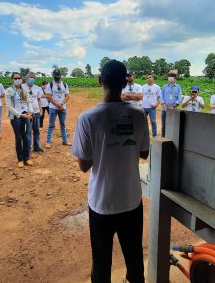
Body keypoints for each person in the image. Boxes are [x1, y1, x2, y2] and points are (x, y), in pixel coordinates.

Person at [71, 60, 149, 283]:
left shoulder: (88, 118)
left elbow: (84, 165)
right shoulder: (139, 114)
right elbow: (144, 154)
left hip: (102, 203)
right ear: (125, 83)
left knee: (102, 260)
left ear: (99, 81)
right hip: (131, 199)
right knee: (134, 257)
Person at [5, 72, 34, 167]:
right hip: (16, 117)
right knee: (18, 137)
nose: (17, 80)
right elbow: (9, 106)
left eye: (19, 78)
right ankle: (20, 159)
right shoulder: (9, 91)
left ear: (21, 79)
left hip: (26, 115)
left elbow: (28, 102)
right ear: (12, 79)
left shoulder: (24, 89)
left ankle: (27, 157)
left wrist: (30, 111)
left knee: (27, 137)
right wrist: (20, 115)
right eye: (15, 78)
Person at [45, 68, 70, 148]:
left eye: (58, 75)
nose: (57, 76)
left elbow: (67, 96)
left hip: (63, 108)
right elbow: (48, 97)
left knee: (63, 124)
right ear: (53, 75)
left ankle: (65, 141)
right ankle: (48, 142)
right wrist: (57, 105)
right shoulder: (50, 84)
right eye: (55, 75)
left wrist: (61, 104)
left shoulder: (65, 84)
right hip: (53, 108)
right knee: (51, 125)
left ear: (60, 75)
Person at [22, 72, 44, 153]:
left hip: (36, 112)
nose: (32, 79)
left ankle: (36, 146)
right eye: (31, 77)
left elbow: (38, 100)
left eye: (34, 78)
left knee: (36, 130)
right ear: (27, 78)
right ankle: (28, 147)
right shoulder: (22, 87)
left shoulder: (37, 88)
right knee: (28, 131)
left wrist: (40, 109)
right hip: (27, 113)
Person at [161, 69, 183, 137]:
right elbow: (161, 97)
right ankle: (163, 138)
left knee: (173, 125)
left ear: (175, 78)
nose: (170, 77)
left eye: (172, 76)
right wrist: (164, 107)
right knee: (164, 126)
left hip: (174, 109)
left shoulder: (178, 87)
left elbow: (179, 98)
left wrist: (173, 106)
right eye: (169, 76)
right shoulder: (164, 86)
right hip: (164, 109)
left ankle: (172, 138)